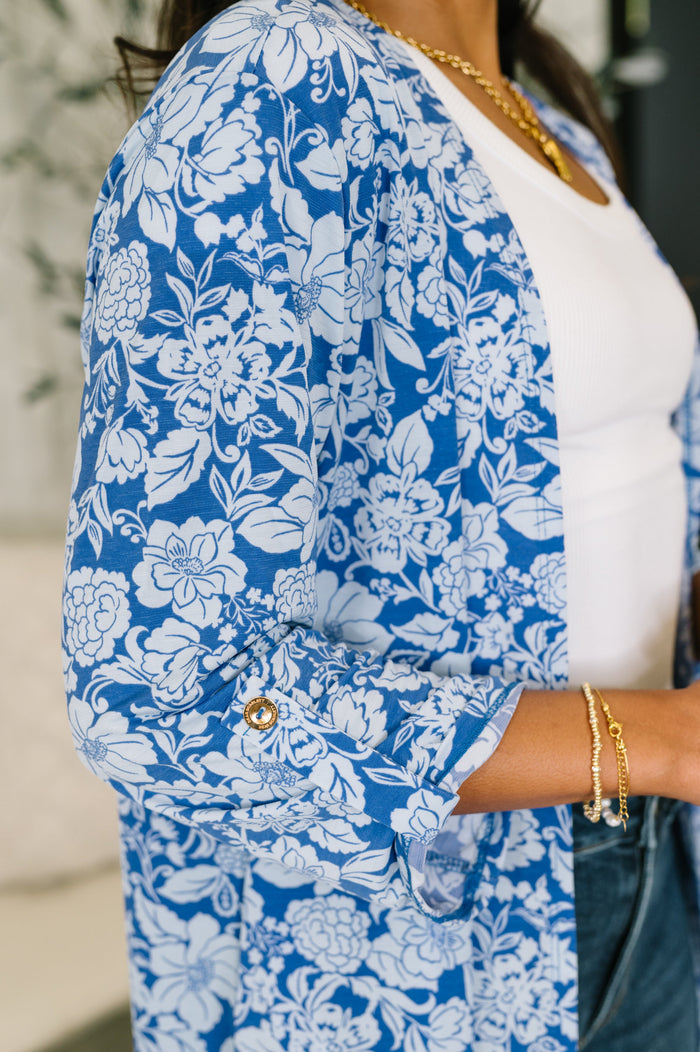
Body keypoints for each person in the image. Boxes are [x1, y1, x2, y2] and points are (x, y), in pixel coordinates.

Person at [62, 0, 700, 1048]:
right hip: (405, 948)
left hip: (637, 869)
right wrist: (660, 739)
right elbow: (157, 690)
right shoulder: (272, 81)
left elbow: (588, 492)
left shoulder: (553, 124)